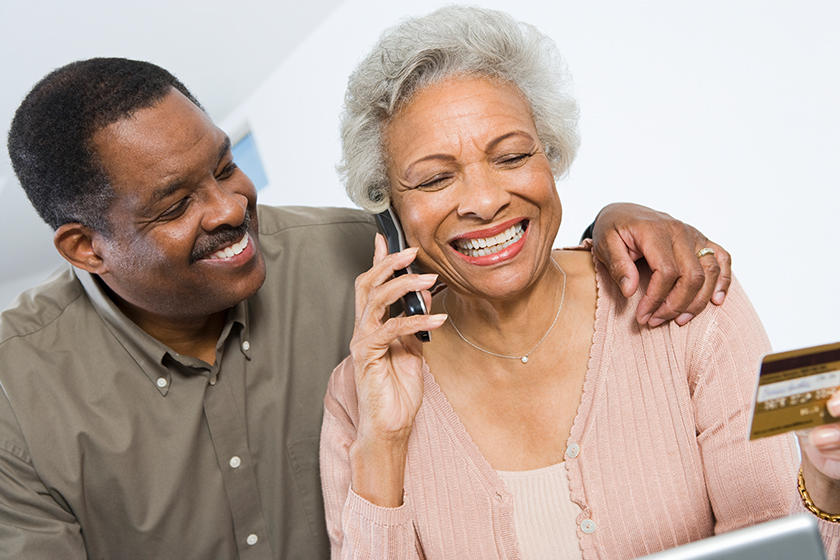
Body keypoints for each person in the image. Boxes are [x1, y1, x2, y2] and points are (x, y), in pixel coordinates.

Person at [1, 57, 727, 560]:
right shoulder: (15, 396)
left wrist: (616, 226)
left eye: (224, 166)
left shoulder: (354, 251)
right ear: (84, 247)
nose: (229, 208)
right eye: (175, 204)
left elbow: (496, 245)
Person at [320, 6, 840, 560]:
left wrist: (827, 485)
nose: (485, 201)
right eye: (435, 179)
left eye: (511, 156)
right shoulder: (358, 397)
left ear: (550, 155)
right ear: (390, 214)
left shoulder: (688, 294)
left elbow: (788, 538)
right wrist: (384, 445)